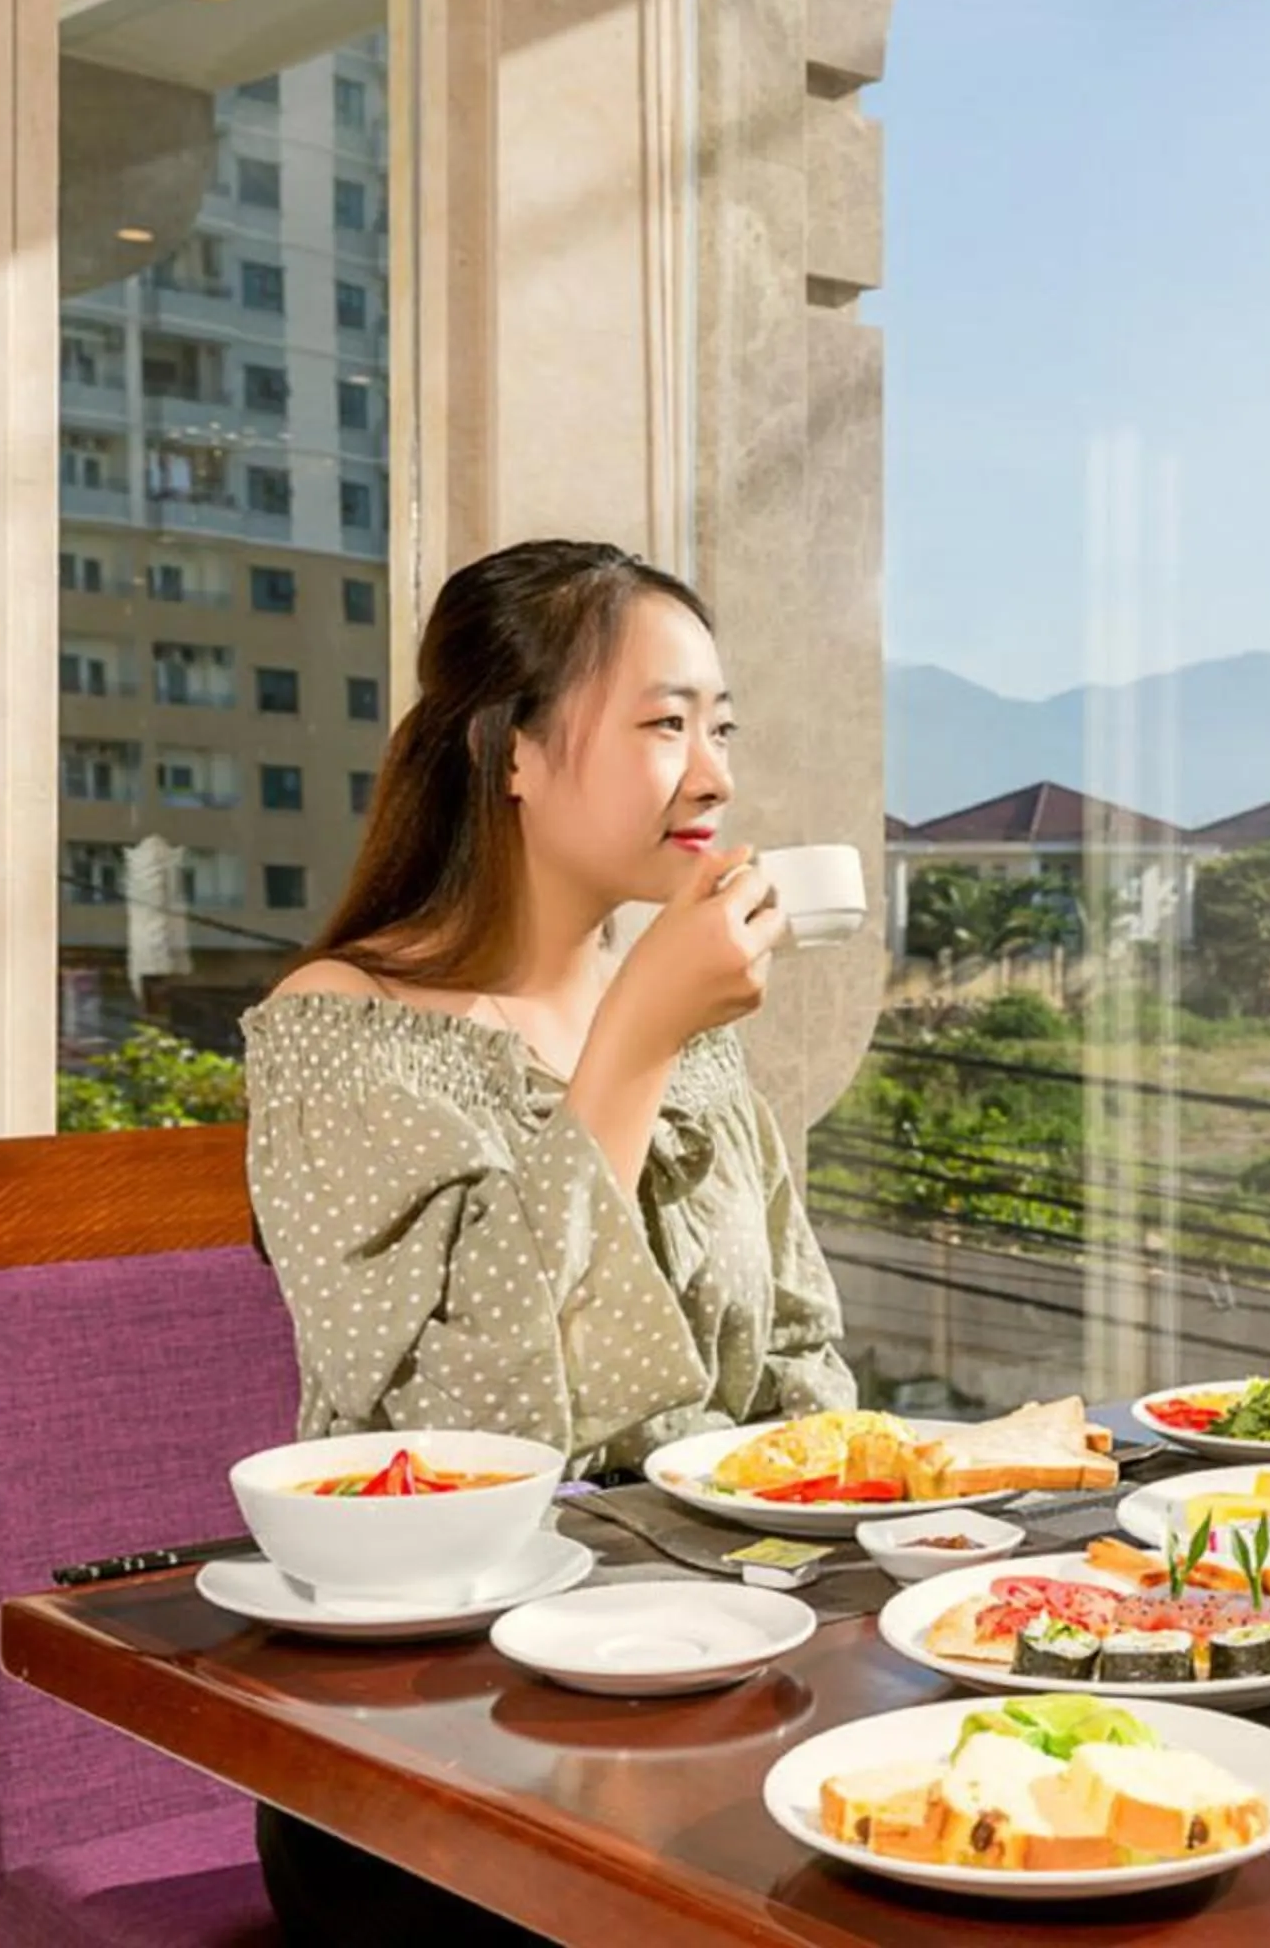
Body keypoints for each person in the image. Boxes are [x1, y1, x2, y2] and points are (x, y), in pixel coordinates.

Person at [238, 537, 858, 1943]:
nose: (715, 776)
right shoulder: (345, 1038)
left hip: (707, 1680)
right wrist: (632, 1039)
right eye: (663, 724)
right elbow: (460, 1448)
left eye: (722, 728)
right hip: (432, 1755)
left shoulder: (692, 1036)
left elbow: (802, 1384)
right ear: (513, 752)